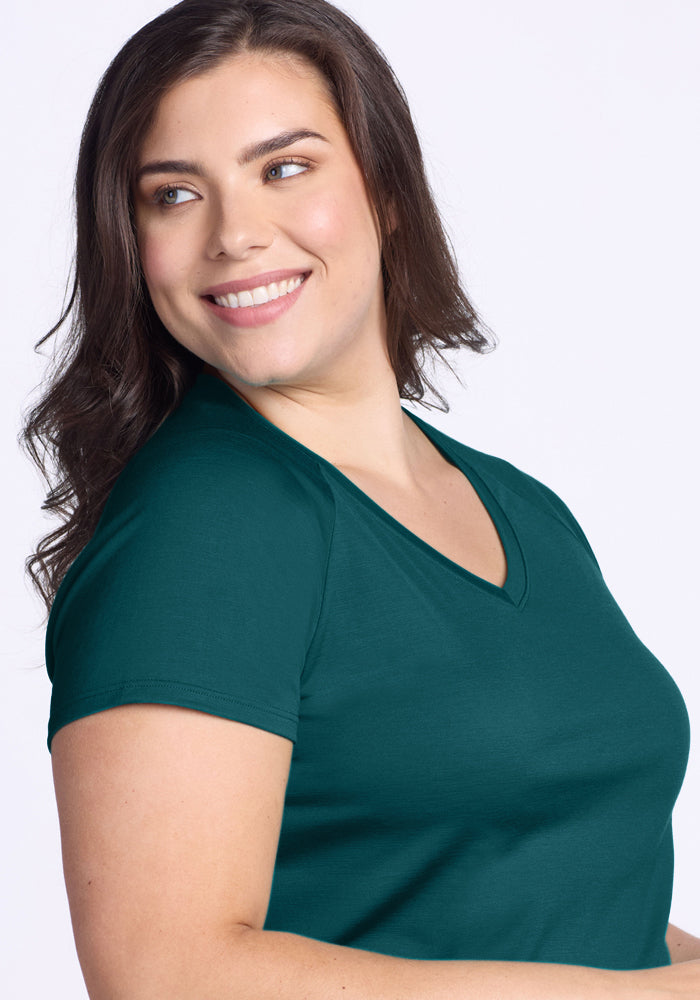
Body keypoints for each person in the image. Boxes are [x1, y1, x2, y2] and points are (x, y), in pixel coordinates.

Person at [20, 0, 700, 996]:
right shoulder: (208, 525)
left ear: (384, 188)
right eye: (173, 194)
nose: (236, 234)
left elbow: (574, 900)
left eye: (284, 168)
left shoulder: (522, 510)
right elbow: (167, 972)